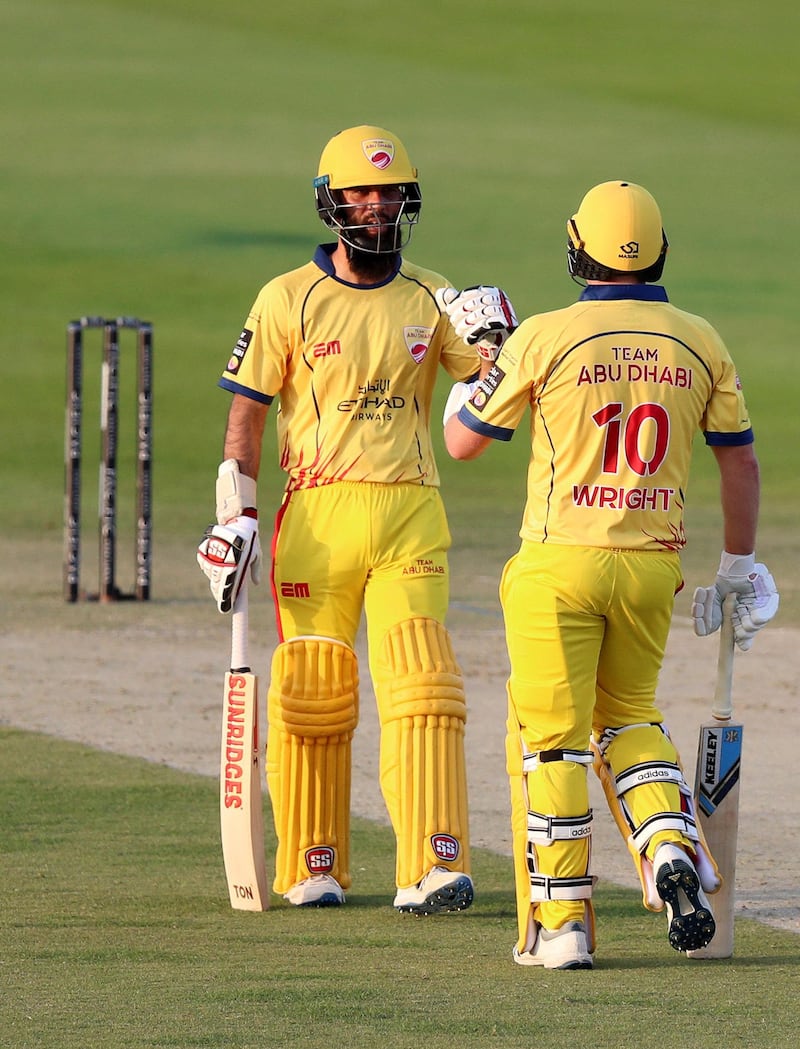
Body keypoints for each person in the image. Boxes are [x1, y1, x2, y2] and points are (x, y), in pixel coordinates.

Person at [441, 180, 779, 969]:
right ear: (659, 251)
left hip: (556, 567)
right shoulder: (701, 340)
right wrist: (736, 566)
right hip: (649, 568)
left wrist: (488, 357)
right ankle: (669, 847)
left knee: (551, 745)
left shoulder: (547, 336)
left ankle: (562, 924)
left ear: (575, 250)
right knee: (629, 722)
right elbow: (742, 461)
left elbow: (462, 441)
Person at [197, 125, 517, 914]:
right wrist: (233, 513)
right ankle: (314, 863)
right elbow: (247, 414)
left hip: (411, 511)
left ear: (409, 200)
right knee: (313, 691)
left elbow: (498, 396)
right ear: (330, 200)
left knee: (423, 686)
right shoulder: (286, 297)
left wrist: (500, 340)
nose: (375, 207)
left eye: (389, 192)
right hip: (317, 512)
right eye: (359, 193)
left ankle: (433, 864)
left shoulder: (433, 296)